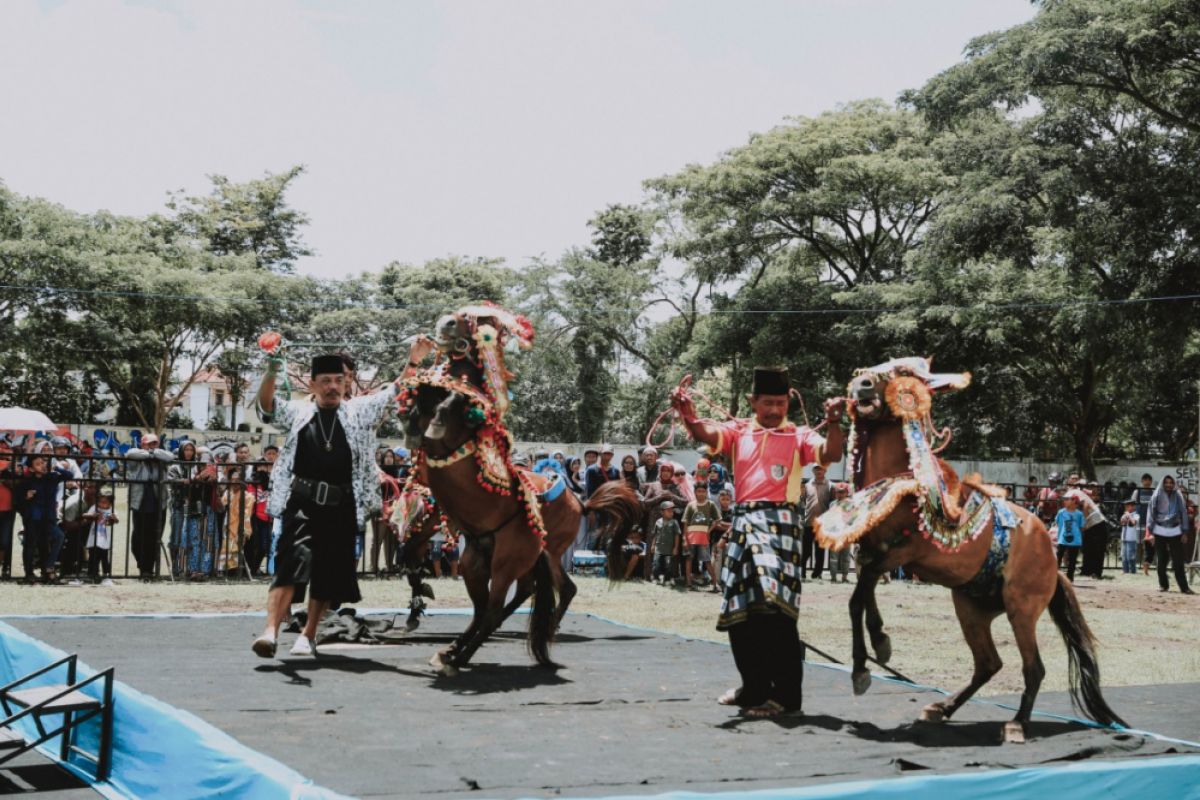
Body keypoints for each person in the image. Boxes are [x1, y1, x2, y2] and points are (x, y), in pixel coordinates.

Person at [672, 366, 845, 719]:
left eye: (781, 403)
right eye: (767, 402)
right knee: (738, 613)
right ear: (753, 401)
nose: (775, 410)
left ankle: (786, 699)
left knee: (777, 611)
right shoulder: (737, 433)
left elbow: (831, 454)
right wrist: (687, 414)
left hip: (781, 524)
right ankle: (752, 688)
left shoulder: (799, 436)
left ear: (788, 402)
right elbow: (703, 431)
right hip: (742, 522)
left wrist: (836, 422)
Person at [251, 338, 434, 659]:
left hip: (341, 506)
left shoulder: (359, 411)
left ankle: (307, 636)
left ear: (345, 382)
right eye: (326, 381)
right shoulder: (298, 411)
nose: (333, 387)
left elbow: (396, 391)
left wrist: (414, 360)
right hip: (301, 501)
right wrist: (272, 370)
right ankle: (270, 631)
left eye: (338, 380)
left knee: (325, 572)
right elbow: (267, 407)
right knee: (290, 564)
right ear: (313, 384)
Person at [126, 433, 176, 581]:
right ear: (142, 444)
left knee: (155, 537)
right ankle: (142, 565)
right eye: (149, 444)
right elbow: (130, 453)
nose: (152, 446)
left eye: (154, 444)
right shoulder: (137, 456)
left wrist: (153, 453)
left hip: (158, 501)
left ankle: (149, 569)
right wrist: (149, 454)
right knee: (138, 537)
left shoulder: (160, 456)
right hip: (140, 501)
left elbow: (170, 456)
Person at [1146, 475, 1194, 594]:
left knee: (1178, 560)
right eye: (1166, 482)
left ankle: (1184, 588)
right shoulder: (1156, 495)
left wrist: (1184, 532)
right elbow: (1151, 513)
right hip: (1159, 530)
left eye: (1171, 483)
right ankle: (1163, 585)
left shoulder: (1178, 495)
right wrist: (1151, 532)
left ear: (1174, 484)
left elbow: (1183, 512)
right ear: (1163, 483)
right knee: (1161, 560)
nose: (1168, 485)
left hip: (1175, 530)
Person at [681, 483, 719, 590]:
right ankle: (688, 583)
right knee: (689, 558)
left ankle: (715, 584)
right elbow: (685, 522)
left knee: (707, 560)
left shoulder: (710, 504)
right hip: (690, 536)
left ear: (706, 492)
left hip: (703, 537)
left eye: (703, 491)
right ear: (695, 492)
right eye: (699, 491)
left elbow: (717, 520)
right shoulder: (690, 505)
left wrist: (709, 531)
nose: (701, 494)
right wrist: (684, 538)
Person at [801, 465, 832, 581]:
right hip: (808, 522)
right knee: (806, 551)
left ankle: (816, 574)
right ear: (813, 471)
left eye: (821, 469)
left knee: (820, 551)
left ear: (825, 470)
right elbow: (802, 501)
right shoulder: (807, 485)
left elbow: (833, 503)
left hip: (823, 524)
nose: (819, 471)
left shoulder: (830, 485)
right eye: (816, 469)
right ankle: (802, 573)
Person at [83, 487, 118, 584]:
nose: (102, 504)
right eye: (100, 502)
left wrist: (113, 518)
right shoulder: (94, 508)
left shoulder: (112, 510)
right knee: (93, 556)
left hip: (104, 540)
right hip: (93, 538)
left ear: (110, 503)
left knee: (104, 557)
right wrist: (92, 516)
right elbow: (84, 515)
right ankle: (93, 573)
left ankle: (106, 573)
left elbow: (116, 520)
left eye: (105, 502)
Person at [650, 501, 681, 586]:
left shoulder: (674, 522)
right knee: (656, 563)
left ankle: (667, 579)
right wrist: (653, 545)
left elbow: (677, 535)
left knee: (668, 564)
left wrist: (675, 547)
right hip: (658, 547)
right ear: (662, 512)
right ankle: (655, 578)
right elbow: (656, 534)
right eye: (668, 511)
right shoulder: (658, 522)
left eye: (672, 511)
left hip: (669, 548)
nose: (671, 513)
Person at [827, 483, 853, 582]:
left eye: (842, 492)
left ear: (847, 493)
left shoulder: (851, 504)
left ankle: (845, 576)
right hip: (835, 534)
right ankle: (833, 577)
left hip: (846, 534)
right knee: (833, 557)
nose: (840, 494)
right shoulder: (832, 504)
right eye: (838, 492)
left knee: (846, 557)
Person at [1055, 494, 1084, 582]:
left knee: (1072, 560)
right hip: (1062, 539)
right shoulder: (1061, 512)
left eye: (1068, 499)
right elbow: (1058, 524)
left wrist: (1076, 534)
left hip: (1075, 540)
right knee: (1058, 557)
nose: (1065, 501)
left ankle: (1069, 578)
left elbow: (1081, 526)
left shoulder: (1079, 514)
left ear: (1074, 502)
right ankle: (1055, 575)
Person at [1118, 498, 1140, 575]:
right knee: (1124, 556)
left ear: (1133, 507)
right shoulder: (1124, 515)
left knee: (1131, 556)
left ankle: (1133, 571)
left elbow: (1133, 523)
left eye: (1129, 506)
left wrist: (1129, 516)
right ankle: (1125, 570)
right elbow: (1122, 523)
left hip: (1131, 538)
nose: (1127, 508)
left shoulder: (1136, 515)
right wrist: (1124, 517)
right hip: (1124, 538)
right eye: (1126, 506)